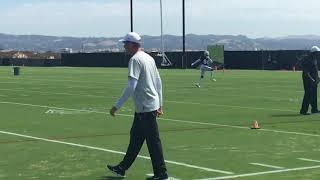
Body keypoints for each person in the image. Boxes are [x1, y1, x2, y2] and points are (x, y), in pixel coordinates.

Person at [107, 32, 169, 180]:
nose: (124, 46)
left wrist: (117, 106)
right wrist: (160, 104)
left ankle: (161, 173)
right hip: (149, 106)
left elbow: (131, 86)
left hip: (145, 108)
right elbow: (158, 82)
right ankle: (122, 168)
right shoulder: (148, 58)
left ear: (132, 44)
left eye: (125, 43)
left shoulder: (135, 60)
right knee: (136, 138)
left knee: (153, 142)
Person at [299, 46, 320, 115]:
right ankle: (303, 111)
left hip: (314, 80)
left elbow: (315, 70)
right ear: (313, 53)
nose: (318, 54)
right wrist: (311, 79)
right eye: (317, 53)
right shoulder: (308, 60)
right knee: (308, 94)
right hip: (308, 80)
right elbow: (306, 72)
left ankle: (314, 109)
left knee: (314, 95)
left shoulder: (314, 59)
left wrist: (318, 78)